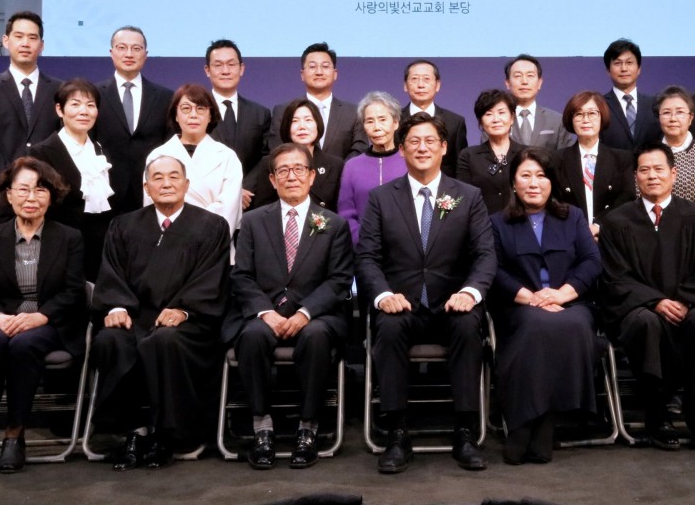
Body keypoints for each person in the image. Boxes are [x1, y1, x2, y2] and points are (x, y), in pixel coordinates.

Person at [356, 112, 497, 473]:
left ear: (444, 148)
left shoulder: (468, 196)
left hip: (452, 302)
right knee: (387, 328)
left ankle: (465, 432)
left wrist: (470, 292)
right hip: (401, 304)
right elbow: (367, 257)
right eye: (414, 142)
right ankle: (396, 434)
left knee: (468, 325)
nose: (422, 148)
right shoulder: (381, 198)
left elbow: (485, 254)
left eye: (430, 141)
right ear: (402, 149)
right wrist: (382, 295)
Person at [90, 155, 231, 470]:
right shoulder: (124, 226)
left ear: (186, 184)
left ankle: (167, 434)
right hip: (135, 316)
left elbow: (212, 279)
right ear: (146, 187)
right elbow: (111, 274)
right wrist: (116, 307)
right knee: (111, 340)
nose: (166, 183)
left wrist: (184, 309)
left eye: (173, 177)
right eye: (158, 178)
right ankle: (133, 430)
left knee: (164, 341)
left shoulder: (211, 226)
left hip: (189, 322)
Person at [223, 144, 354, 470]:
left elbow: (339, 280)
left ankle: (308, 428)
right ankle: (262, 427)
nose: (291, 176)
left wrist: (304, 312)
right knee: (252, 336)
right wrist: (265, 312)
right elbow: (242, 276)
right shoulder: (253, 221)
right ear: (272, 179)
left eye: (298, 169)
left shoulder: (333, 224)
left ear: (311, 176)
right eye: (283, 170)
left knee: (315, 336)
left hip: (316, 315)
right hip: (265, 312)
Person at [598, 143, 695, 451]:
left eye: (659, 169)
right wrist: (655, 301)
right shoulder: (616, 222)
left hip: (691, 305)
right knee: (646, 322)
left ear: (674, 174)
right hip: (640, 308)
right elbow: (615, 276)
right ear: (636, 177)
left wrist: (686, 300)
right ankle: (657, 416)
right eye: (644, 170)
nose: (652, 176)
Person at [0, 157, 86, 474]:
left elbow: (73, 292)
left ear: (51, 196)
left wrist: (41, 316)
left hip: (48, 323)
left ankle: (15, 437)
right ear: (9, 195)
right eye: (23, 189)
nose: (31, 198)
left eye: (40, 190)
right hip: (0, 321)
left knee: (23, 346)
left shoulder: (70, 238)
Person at [489, 148, 602, 465]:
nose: (533, 183)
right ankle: (530, 421)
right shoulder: (497, 223)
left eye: (541, 175)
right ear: (513, 183)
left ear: (552, 181)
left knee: (572, 324)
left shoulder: (573, 217)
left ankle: (536, 422)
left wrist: (561, 294)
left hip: (570, 303)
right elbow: (493, 270)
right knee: (535, 325)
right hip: (519, 305)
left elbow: (591, 261)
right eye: (525, 175)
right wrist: (533, 298)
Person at [0, 11, 62, 231]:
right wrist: (13, 181)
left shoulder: (60, 89)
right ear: (6, 41)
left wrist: (40, 184)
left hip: (47, 198)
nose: (25, 43)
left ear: (42, 45)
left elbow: (64, 142)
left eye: (32, 37)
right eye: (19, 36)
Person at [29, 78, 114, 280]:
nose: (84, 111)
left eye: (90, 105)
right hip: (59, 247)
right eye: (75, 104)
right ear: (60, 110)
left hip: (98, 248)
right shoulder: (41, 152)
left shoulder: (102, 151)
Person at [145, 84, 243, 243]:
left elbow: (229, 208)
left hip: (214, 245)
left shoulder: (227, 156)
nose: (193, 115)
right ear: (176, 115)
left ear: (210, 115)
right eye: (186, 108)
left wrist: (198, 234)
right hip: (169, 242)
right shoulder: (157, 156)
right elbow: (151, 207)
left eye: (201, 109)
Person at [92, 26, 173, 215]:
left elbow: (170, 147)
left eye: (136, 48)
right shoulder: (94, 95)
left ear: (146, 54)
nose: (129, 54)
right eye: (122, 47)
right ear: (111, 53)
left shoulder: (165, 97)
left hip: (151, 193)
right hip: (105, 193)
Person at [204, 39, 272, 211]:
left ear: (241, 69)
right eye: (218, 65)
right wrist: (231, 192)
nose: (225, 71)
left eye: (231, 64)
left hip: (249, 202)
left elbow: (266, 157)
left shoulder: (260, 113)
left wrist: (243, 188)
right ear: (207, 70)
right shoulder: (197, 112)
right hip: (207, 201)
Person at [269, 42, 367, 160]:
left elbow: (359, 149)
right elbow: (277, 151)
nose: (319, 72)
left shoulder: (353, 113)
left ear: (335, 74)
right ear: (302, 74)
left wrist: (338, 169)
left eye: (325, 66)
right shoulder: (283, 111)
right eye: (312, 67)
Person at [556, 91, 635, 239]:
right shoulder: (557, 159)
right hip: (569, 237)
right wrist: (580, 230)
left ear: (602, 117)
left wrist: (599, 226)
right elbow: (555, 201)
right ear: (571, 120)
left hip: (611, 236)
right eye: (579, 114)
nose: (586, 120)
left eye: (592, 113)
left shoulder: (622, 159)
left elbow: (627, 198)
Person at [338, 92, 408, 243]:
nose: (376, 127)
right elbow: (346, 214)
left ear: (395, 123)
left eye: (382, 120)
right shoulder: (352, 166)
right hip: (362, 247)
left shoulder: (410, 162)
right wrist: (362, 242)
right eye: (369, 121)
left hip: (405, 248)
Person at [253, 99, 343, 211]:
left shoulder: (335, 165)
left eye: (308, 120)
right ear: (286, 126)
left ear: (318, 125)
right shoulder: (270, 162)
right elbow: (263, 211)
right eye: (295, 121)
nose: (302, 127)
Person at [456, 90, 526, 215]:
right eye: (488, 114)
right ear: (481, 122)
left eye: (501, 112)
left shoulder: (526, 154)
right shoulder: (468, 156)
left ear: (512, 118)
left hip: (520, 222)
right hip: (482, 223)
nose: (496, 119)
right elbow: (463, 198)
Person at [400, 59, 468, 177]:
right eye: (414, 79)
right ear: (405, 85)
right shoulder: (394, 120)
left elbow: (460, 168)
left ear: (437, 85)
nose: (421, 85)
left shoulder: (455, 122)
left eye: (426, 79)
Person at [504, 54, 575, 152]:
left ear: (539, 83)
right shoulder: (497, 120)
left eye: (530, 75)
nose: (524, 81)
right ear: (508, 83)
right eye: (518, 76)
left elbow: (567, 157)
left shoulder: (557, 121)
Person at [599, 39, 661, 150]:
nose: (624, 69)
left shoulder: (655, 105)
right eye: (617, 63)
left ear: (639, 69)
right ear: (608, 70)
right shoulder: (599, 105)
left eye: (629, 63)